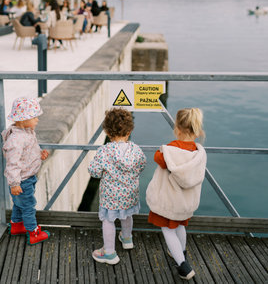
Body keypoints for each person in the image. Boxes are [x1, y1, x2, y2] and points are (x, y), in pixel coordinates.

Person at [146, 108, 207, 280]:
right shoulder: (199, 154)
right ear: (197, 130)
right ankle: (181, 252)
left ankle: (183, 266)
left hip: (169, 202)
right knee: (180, 226)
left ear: (177, 128)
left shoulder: (169, 151)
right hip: (186, 203)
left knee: (167, 230)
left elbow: (157, 158)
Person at [88, 108, 146, 265]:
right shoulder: (135, 149)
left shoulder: (104, 151)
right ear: (129, 130)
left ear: (107, 132)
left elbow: (94, 171)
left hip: (110, 196)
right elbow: (142, 164)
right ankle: (127, 239)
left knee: (108, 220)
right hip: (130, 193)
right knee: (127, 215)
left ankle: (109, 253)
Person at [1, 97, 50, 245]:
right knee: (28, 206)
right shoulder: (16, 140)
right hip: (22, 181)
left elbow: (28, 153)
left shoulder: (27, 132)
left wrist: (39, 154)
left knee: (19, 204)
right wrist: (15, 183)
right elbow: (13, 163)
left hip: (28, 178)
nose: (37, 120)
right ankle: (33, 233)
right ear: (23, 120)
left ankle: (16, 226)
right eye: (34, 117)